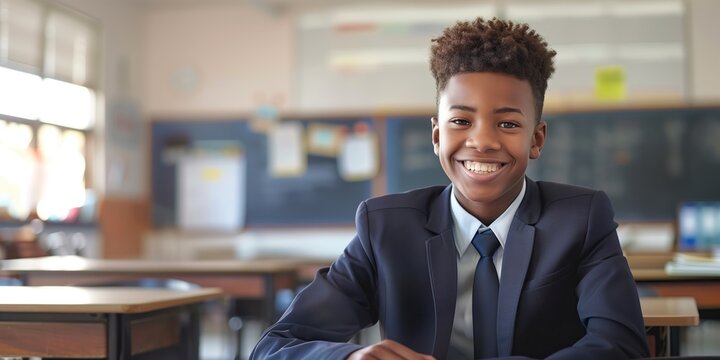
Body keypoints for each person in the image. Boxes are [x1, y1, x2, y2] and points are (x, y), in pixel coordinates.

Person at [250, 17, 649, 360]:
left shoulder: (581, 219)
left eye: (508, 124)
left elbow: (621, 344)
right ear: (437, 135)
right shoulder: (385, 228)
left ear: (537, 139)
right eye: (461, 121)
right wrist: (351, 355)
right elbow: (277, 345)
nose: (482, 141)